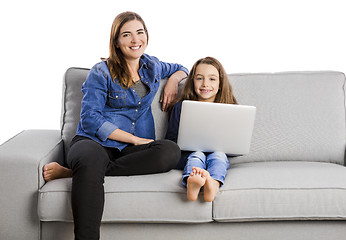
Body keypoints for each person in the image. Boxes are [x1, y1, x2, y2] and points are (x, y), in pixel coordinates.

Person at [43, 11, 188, 240]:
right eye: (127, 35)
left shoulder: (153, 67)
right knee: (89, 159)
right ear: (117, 42)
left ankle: (77, 173)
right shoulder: (101, 72)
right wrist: (133, 139)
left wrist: (172, 80)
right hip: (95, 142)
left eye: (140, 33)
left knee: (170, 151)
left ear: (146, 36)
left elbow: (182, 67)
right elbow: (90, 118)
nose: (135, 40)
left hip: (131, 152)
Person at [165, 56, 237, 202]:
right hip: (187, 155)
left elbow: (235, 145)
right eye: (199, 78)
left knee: (219, 156)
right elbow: (170, 140)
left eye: (212, 79)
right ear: (192, 82)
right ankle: (192, 182)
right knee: (197, 154)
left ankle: (213, 184)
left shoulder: (230, 109)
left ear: (220, 83)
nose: (205, 84)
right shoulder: (181, 107)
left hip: (217, 154)